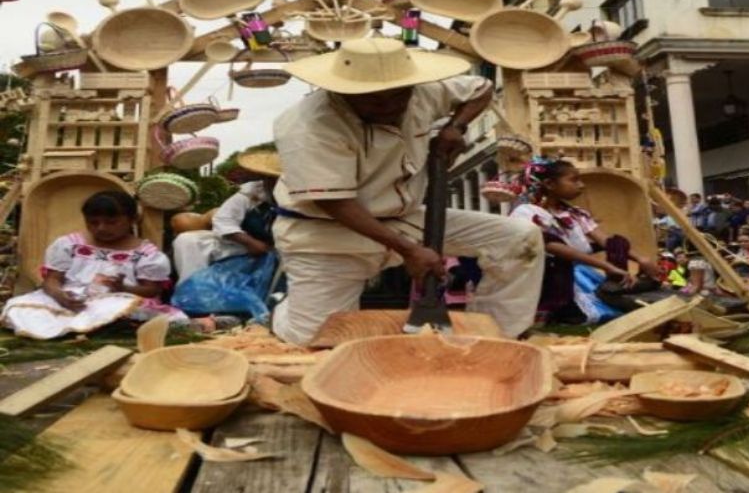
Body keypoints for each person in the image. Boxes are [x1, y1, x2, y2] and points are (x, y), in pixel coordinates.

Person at [270, 39, 545, 344]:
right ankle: (282, 314)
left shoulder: (422, 92)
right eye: (374, 101)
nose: (390, 107)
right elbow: (335, 203)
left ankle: (495, 335)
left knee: (518, 238)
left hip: (405, 218)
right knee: (314, 341)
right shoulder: (308, 125)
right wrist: (410, 251)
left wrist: (456, 127)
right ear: (344, 91)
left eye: (399, 96)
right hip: (327, 232)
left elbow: (481, 89)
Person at [1, 190, 179, 339]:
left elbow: (152, 290)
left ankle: (87, 326)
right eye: (93, 222)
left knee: (114, 310)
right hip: (71, 296)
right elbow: (52, 279)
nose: (101, 228)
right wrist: (60, 296)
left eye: (111, 222)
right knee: (17, 306)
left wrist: (123, 287)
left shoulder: (146, 253)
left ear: (132, 220)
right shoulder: (69, 244)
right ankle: (79, 326)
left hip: (117, 298)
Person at [510, 159, 661, 323]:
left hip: (577, 275)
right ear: (549, 184)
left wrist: (641, 259)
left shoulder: (575, 214)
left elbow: (605, 240)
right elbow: (552, 246)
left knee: (618, 244)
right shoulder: (526, 212)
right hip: (549, 279)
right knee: (593, 309)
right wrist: (606, 266)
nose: (581, 185)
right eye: (574, 180)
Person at [172, 150, 281, 283]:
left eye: (275, 179)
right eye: (268, 178)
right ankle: (193, 286)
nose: (269, 182)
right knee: (187, 240)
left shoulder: (299, 199)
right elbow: (223, 220)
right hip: (241, 244)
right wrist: (251, 243)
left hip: (284, 252)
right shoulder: (251, 193)